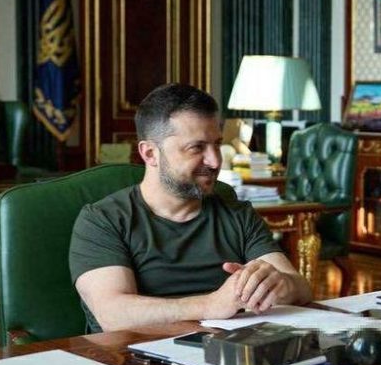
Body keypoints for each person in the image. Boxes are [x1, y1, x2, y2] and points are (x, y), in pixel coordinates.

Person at [69, 83, 313, 332]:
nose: (215, 161)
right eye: (197, 148)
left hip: (230, 347)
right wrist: (210, 305)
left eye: (217, 144)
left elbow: (302, 289)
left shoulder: (236, 213)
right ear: (150, 153)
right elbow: (112, 315)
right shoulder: (103, 220)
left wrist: (280, 284)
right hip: (136, 352)